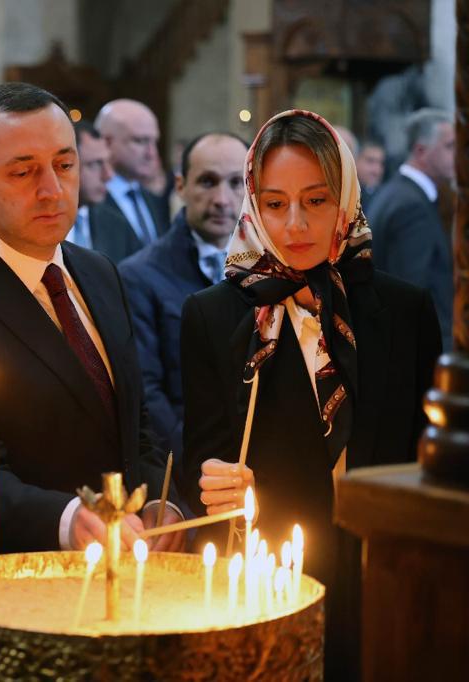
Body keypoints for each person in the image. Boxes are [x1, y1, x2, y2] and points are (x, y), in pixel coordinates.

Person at [181, 110, 441, 679]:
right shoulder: (215, 314)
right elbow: (204, 458)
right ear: (254, 202)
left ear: (346, 197)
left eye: (316, 201)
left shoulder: (404, 310)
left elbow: (427, 457)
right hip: (276, 573)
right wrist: (218, 482)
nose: (295, 224)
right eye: (275, 204)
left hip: (385, 572)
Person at [0, 82, 184, 561]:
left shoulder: (99, 272)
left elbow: (135, 425)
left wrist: (159, 500)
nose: (51, 190)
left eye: (66, 166)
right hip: (17, 580)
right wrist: (70, 520)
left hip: (126, 568)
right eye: (23, 172)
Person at [118, 132, 247, 471]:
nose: (222, 198)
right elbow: (146, 390)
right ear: (180, 186)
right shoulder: (139, 276)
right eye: (207, 182)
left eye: (236, 183)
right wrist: (198, 461)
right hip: (184, 467)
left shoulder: (269, 270)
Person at [367, 108, 455, 350]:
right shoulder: (410, 205)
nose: (457, 155)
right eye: (449, 146)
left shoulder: (398, 193)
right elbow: (411, 292)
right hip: (421, 349)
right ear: (420, 150)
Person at [95, 98, 171, 253]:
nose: (151, 153)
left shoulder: (153, 199)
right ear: (107, 143)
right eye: (140, 141)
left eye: (154, 142)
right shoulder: (87, 203)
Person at [68, 120, 135, 263]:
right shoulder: (39, 223)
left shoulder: (117, 225)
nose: (108, 175)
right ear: (65, 165)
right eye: (95, 164)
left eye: (108, 162)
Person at [354, 139, 386, 209]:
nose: (377, 171)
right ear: (355, 160)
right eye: (370, 161)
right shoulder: (342, 193)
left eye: (381, 163)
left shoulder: (385, 199)